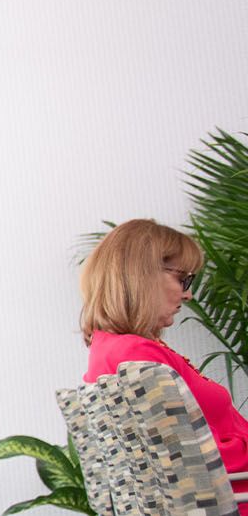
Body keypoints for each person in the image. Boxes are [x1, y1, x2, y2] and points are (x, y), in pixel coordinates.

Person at [80, 218, 247, 512]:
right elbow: (185, 460)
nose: (188, 294)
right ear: (142, 276)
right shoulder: (134, 353)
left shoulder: (113, 349)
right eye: (183, 279)